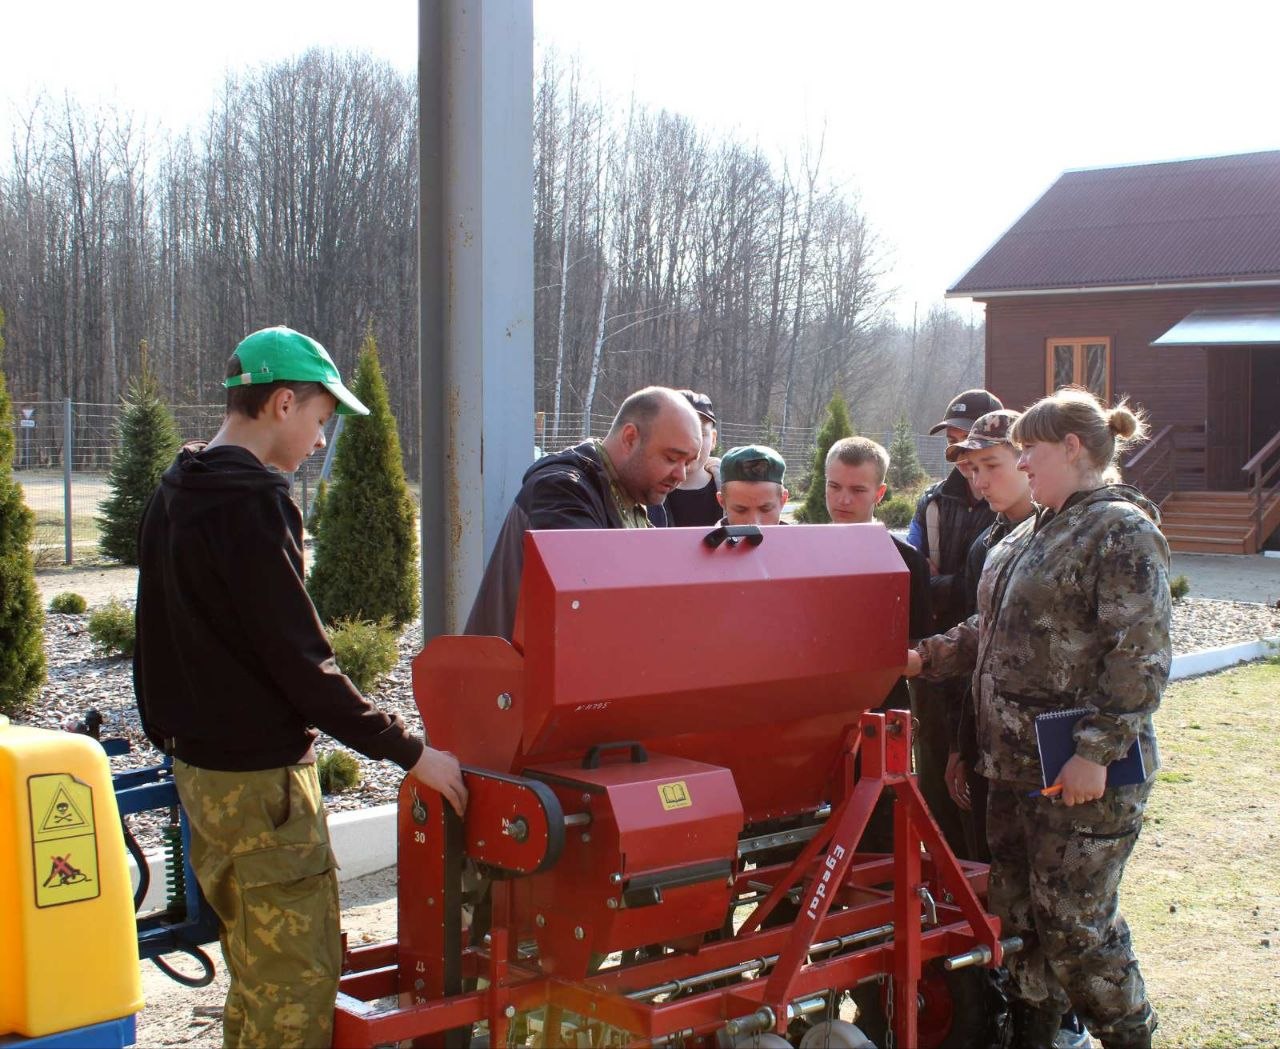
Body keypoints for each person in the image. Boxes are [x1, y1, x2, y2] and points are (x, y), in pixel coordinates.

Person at [133, 325, 467, 1049]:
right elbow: (301, 662)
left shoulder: (177, 484)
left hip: (203, 774)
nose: (320, 441)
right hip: (264, 787)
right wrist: (411, 751)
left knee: (255, 971)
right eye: (320, 420)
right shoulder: (255, 499)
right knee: (296, 983)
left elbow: (152, 636)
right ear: (283, 403)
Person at [905, 388, 1170, 1049]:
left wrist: (1097, 751)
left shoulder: (1120, 529)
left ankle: (1131, 1038)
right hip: (1014, 767)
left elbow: (1139, 655)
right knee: (1018, 923)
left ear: (1073, 448)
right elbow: (989, 629)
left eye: (1031, 451)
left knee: (1078, 929)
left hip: (1080, 771)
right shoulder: (1029, 532)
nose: (1022, 465)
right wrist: (922, 656)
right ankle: (1034, 1036)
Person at [465, 386, 702, 640]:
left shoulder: (646, 499)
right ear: (630, 438)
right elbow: (588, 598)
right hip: (513, 673)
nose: (681, 475)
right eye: (671, 458)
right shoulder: (560, 489)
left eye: (688, 463)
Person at [905, 388, 1003, 860]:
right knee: (935, 788)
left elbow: (973, 593)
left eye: (969, 437)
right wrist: (951, 584)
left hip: (978, 670)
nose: (962, 451)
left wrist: (947, 582)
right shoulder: (932, 502)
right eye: (954, 438)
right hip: (934, 662)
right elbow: (914, 574)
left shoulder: (1007, 509)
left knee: (976, 798)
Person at [650, 390, 722, 527]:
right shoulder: (641, 496)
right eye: (679, 432)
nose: (692, 443)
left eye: (701, 434)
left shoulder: (735, 497)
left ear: (713, 439)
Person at [716, 444, 789, 526]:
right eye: (741, 510)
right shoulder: (701, 539)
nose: (754, 523)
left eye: (765, 509)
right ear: (722, 502)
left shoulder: (802, 539)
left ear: (783, 499)